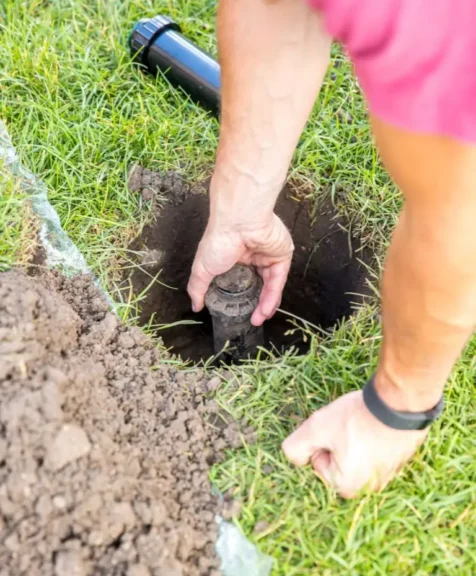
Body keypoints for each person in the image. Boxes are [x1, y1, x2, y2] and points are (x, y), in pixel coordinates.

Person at [187, 0, 476, 498]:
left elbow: (459, 213)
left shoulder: (435, 30)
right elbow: (275, 8)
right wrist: (243, 208)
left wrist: (396, 410)